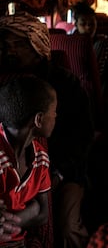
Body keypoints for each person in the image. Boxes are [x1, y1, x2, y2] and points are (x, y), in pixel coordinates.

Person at [0, 12, 94, 248]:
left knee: (67, 226)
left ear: (36, 44)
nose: (11, 51)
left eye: (19, 44)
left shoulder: (65, 84)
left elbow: (82, 137)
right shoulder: (2, 82)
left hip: (63, 167)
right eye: (6, 45)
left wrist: (59, 172)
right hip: (10, 169)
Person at [0, 76, 57, 247]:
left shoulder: (40, 158)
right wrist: (31, 210)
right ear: (38, 119)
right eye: (53, 111)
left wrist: (10, 222)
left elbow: (43, 213)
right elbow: (36, 209)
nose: (56, 115)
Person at [72, 1, 108, 105]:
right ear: (76, 24)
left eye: (92, 24)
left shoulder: (104, 43)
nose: (88, 27)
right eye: (83, 24)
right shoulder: (70, 43)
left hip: (99, 86)